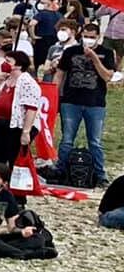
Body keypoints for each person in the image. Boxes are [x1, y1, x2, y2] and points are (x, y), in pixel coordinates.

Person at [56, 21, 115, 181]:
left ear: (98, 37)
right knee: (67, 139)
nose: (88, 39)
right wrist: (55, 96)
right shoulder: (71, 51)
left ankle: (100, 174)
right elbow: (60, 74)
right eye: (86, 36)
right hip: (71, 100)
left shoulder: (107, 53)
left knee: (95, 141)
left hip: (95, 102)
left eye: (92, 37)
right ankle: (61, 170)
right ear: (81, 36)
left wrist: (95, 59)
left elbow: (107, 76)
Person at [0, 50, 45, 167]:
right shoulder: (7, 80)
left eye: (8, 61)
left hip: (17, 126)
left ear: (18, 65)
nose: (5, 63)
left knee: (14, 157)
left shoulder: (27, 82)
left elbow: (31, 108)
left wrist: (26, 132)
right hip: (1, 123)